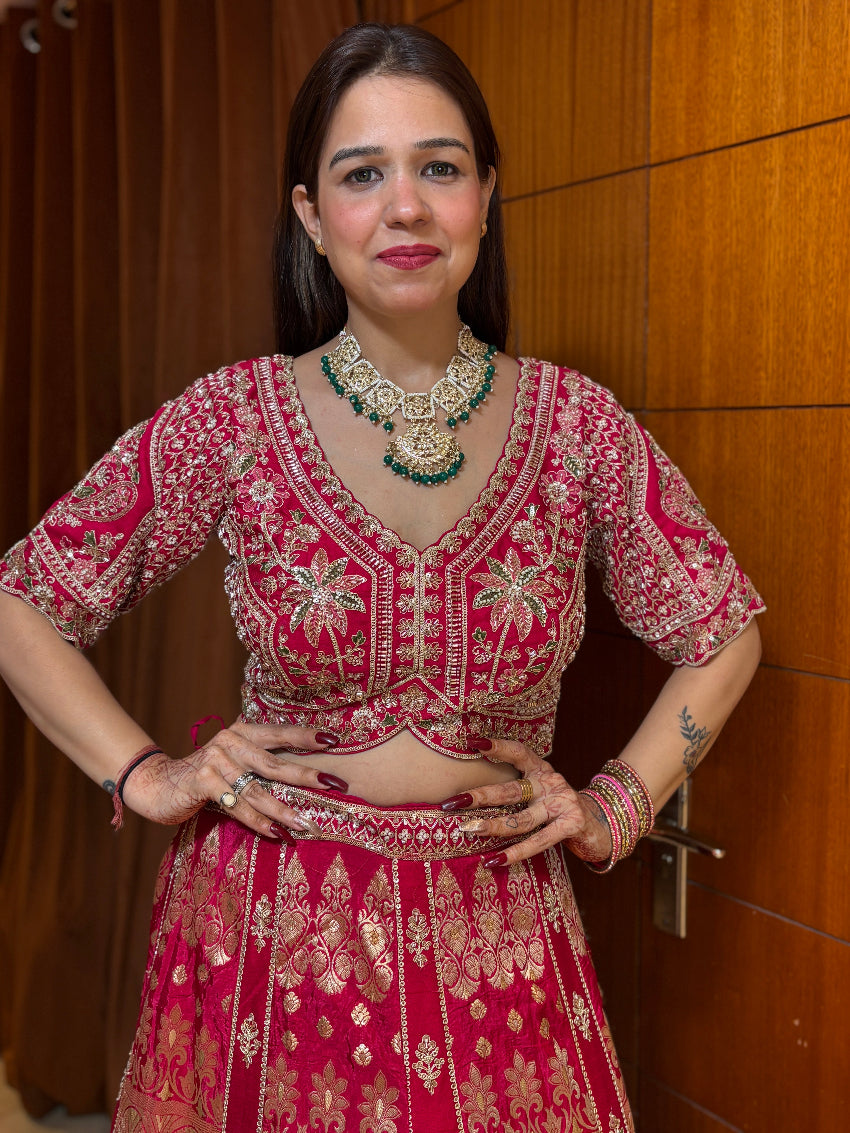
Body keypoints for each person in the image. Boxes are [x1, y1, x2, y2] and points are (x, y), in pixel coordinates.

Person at [0, 22, 763, 1133]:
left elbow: (722, 627)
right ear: (312, 214)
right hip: (274, 937)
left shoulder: (576, 427)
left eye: (438, 167)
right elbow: (25, 600)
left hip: (498, 942)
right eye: (362, 174)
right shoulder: (235, 418)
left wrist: (618, 803)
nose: (404, 206)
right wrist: (144, 775)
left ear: (485, 195)